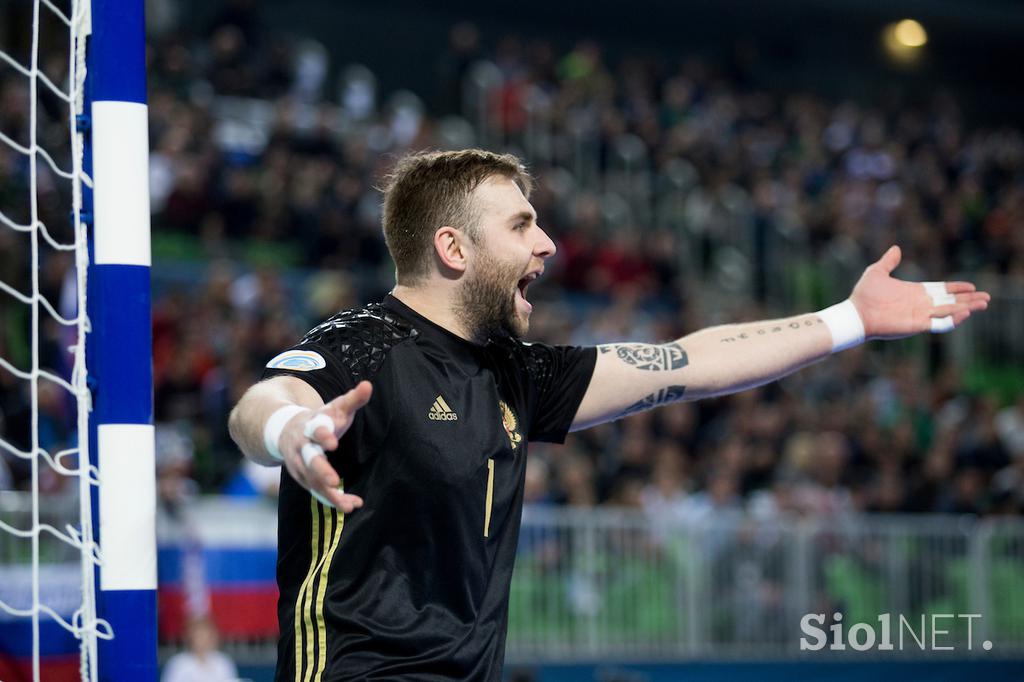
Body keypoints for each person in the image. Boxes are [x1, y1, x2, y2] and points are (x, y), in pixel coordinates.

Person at [227, 149, 989, 680]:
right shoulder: (365, 340)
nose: (549, 244)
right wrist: (292, 432)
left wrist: (848, 320)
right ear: (453, 247)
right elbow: (262, 401)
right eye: (523, 225)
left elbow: (691, 362)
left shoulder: (516, 376)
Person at [161, 616, 238, 682]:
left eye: (206, 635)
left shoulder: (223, 662)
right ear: (190, 637)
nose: (203, 640)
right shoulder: (178, 663)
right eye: (199, 635)